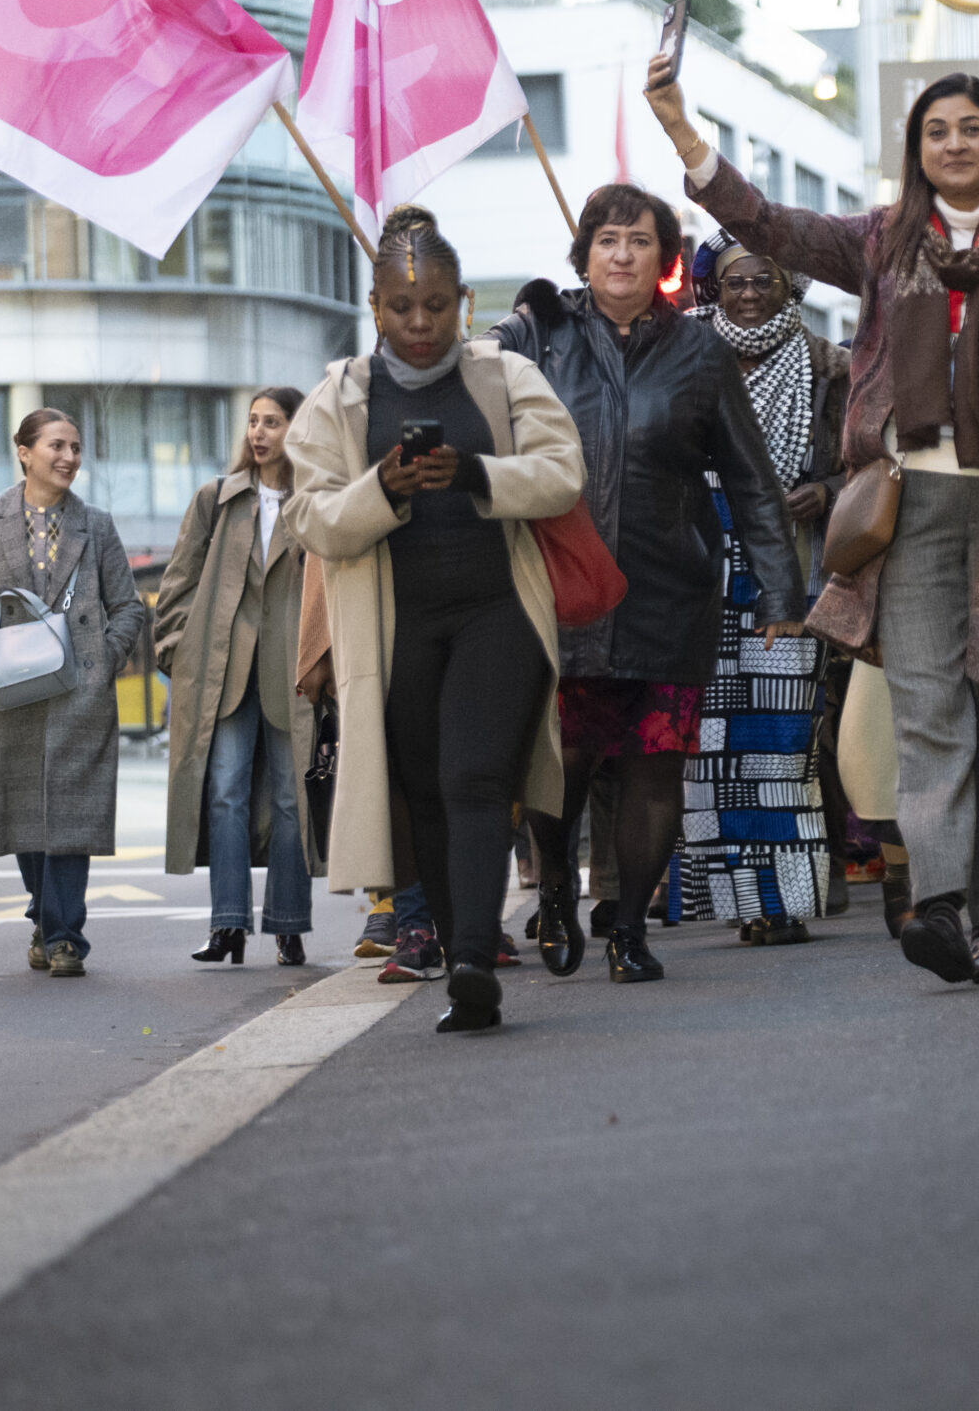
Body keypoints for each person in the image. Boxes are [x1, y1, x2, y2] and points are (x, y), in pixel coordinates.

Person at [649, 60, 979, 986]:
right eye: (936, 131)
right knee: (928, 710)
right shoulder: (882, 243)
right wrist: (683, 131)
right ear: (916, 148)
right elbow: (768, 224)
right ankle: (938, 904)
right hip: (910, 509)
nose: (953, 144)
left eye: (970, 128)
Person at [492, 183, 806, 985]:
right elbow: (475, 393)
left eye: (638, 241)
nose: (622, 254)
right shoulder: (540, 335)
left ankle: (629, 928)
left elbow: (751, 478)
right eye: (607, 240)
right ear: (584, 255)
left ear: (665, 258)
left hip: (670, 589)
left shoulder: (700, 352)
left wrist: (779, 591)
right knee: (560, 760)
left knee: (654, 766)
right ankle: (555, 889)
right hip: (564, 588)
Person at [289, 206, 586, 1032]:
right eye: (401, 307)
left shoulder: (505, 376)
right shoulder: (338, 397)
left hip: (499, 611)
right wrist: (383, 488)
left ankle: (471, 959)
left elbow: (564, 472)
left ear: (464, 303)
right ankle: (462, 954)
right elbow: (311, 519)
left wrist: (476, 474)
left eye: (436, 305)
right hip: (394, 631)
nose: (419, 323)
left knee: (474, 777)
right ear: (374, 307)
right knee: (424, 790)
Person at [675, 233, 848, 945]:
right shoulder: (685, 354)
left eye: (764, 281)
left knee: (781, 741)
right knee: (709, 747)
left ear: (790, 287)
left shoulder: (827, 364)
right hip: (697, 568)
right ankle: (740, 902)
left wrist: (827, 489)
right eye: (736, 282)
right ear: (714, 288)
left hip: (788, 565)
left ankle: (784, 900)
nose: (749, 294)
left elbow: (869, 458)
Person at [0, 408, 149, 978]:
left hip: (80, 690)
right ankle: (43, 913)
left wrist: (103, 660)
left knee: (73, 815)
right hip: (11, 689)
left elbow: (128, 606)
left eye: (76, 448)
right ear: (25, 452)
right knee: (21, 814)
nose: (69, 457)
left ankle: (64, 937)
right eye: (57, 446)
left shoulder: (96, 525)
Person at [155, 387, 321, 967]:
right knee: (224, 794)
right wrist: (177, 651)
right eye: (253, 421)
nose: (258, 432)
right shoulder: (217, 499)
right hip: (222, 670)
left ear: (297, 429)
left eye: (272, 422)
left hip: (293, 673)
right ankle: (227, 924)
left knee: (292, 799)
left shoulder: (315, 502)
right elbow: (177, 582)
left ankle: (288, 925)